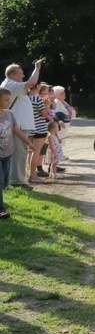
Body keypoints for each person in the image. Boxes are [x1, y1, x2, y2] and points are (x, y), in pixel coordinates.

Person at [1, 59, 42, 189]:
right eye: (21, 73)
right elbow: (31, 83)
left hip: (18, 125)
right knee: (19, 153)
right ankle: (16, 182)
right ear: (12, 75)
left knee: (19, 153)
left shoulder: (12, 85)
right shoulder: (11, 85)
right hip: (16, 125)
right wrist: (37, 68)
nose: (23, 75)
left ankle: (13, 181)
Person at [0, 87, 36, 219]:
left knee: (4, 183)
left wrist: (28, 142)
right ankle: (1, 209)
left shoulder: (10, 114)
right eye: (6, 100)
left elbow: (17, 130)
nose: (8, 102)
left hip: (7, 152)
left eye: (9, 100)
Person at [27, 83, 52, 183]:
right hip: (39, 127)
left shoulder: (26, 98)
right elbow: (44, 114)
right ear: (36, 86)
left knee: (30, 152)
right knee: (36, 152)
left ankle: (30, 173)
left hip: (29, 128)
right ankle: (33, 175)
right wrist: (46, 105)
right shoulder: (37, 99)